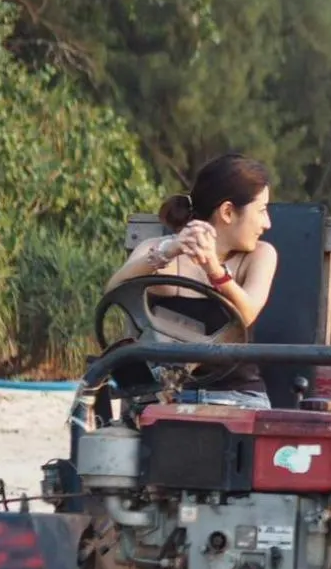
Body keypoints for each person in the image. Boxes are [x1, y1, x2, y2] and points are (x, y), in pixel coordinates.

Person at [105, 152, 279, 407]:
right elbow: (113, 290)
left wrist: (215, 270)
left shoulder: (261, 255)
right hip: (163, 400)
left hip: (236, 398)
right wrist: (167, 252)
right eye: (262, 211)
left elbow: (247, 313)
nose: (267, 223)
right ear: (228, 212)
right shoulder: (157, 250)